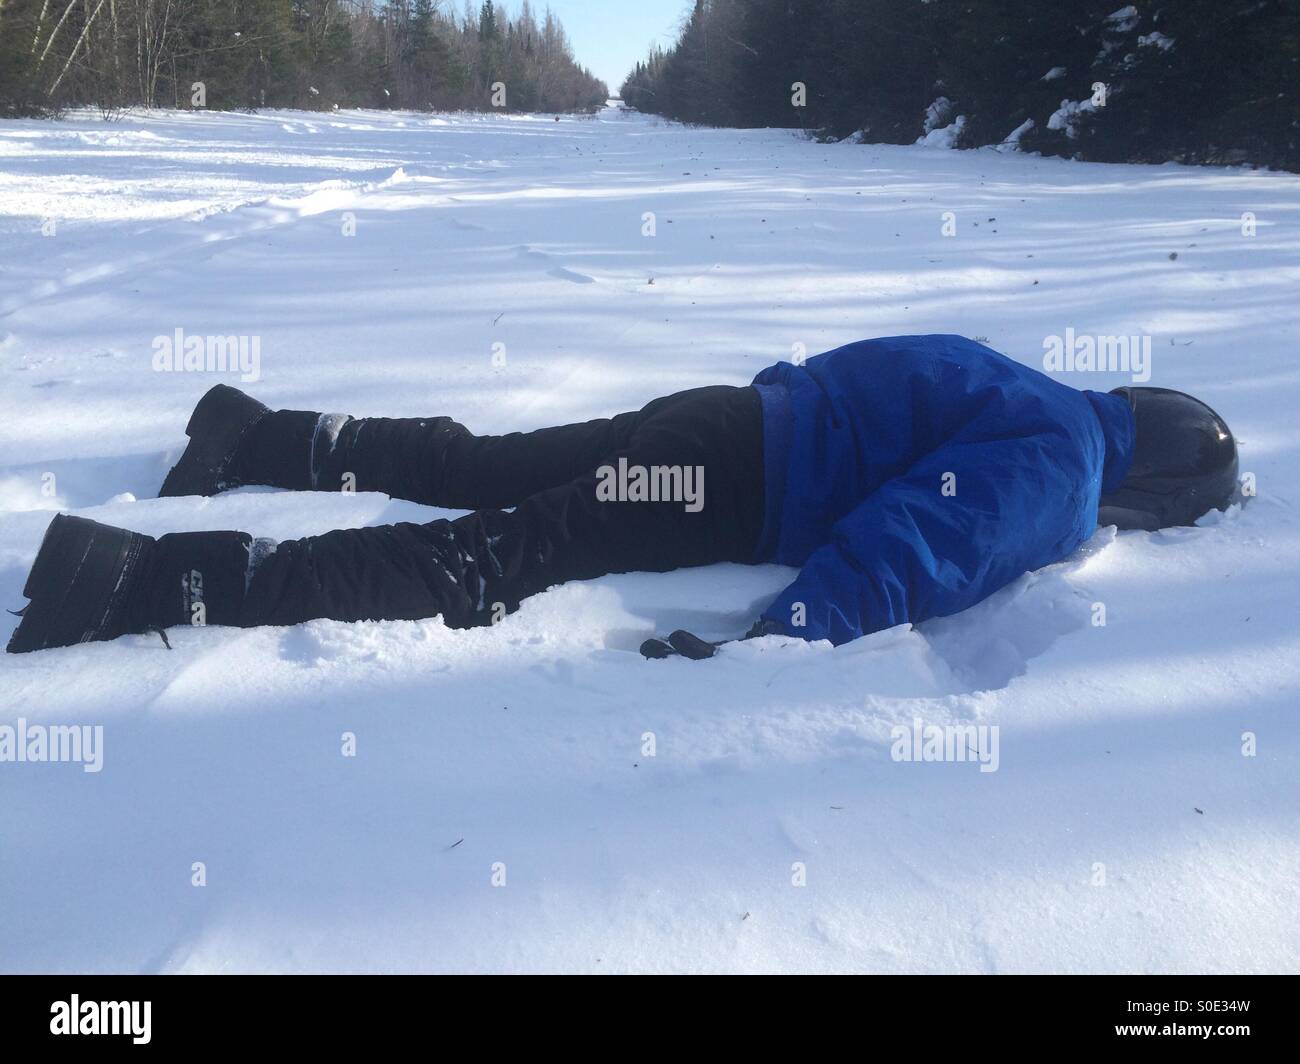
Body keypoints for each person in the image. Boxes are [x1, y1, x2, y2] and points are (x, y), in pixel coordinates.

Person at [5, 335, 1239, 657]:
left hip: (722, 418)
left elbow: (856, 390)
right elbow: (916, 537)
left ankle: (253, 433)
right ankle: (141, 579)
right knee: (497, 553)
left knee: (480, 466)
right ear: (1158, 488)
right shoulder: (1065, 462)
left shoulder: (1023, 381)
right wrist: (786, 638)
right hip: (725, 472)